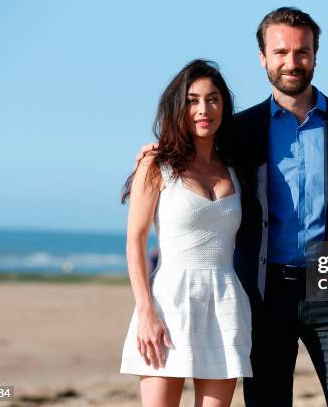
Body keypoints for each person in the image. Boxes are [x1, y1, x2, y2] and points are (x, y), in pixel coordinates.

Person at [136, 7, 328, 406]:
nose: (291, 62)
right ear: (263, 57)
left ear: (315, 54)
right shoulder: (239, 130)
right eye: (280, 53)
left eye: (302, 52)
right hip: (262, 294)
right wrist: (156, 152)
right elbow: (196, 151)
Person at [120, 59, 252, 407]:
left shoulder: (237, 167)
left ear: (224, 105)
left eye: (212, 99)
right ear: (179, 107)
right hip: (168, 302)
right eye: (192, 100)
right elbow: (135, 241)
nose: (203, 109)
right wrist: (146, 311)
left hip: (225, 300)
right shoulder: (156, 164)